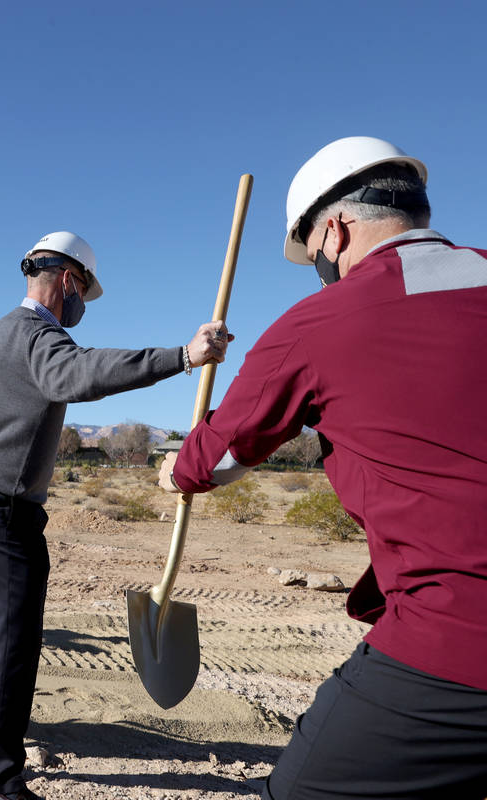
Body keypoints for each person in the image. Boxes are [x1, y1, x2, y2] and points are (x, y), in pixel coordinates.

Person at [160, 136, 487, 799]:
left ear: (334, 230)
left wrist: (176, 471)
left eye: (313, 257)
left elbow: (221, 453)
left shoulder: (320, 322)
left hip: (459, 638)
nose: (319, 269)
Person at [0, 232, 230, 800]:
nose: (80, 307)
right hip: (3, 506)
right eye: (82, 293)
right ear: (68, 280)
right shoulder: (36, 335)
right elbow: (79, 373)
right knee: (13, 639)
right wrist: (182, 357)